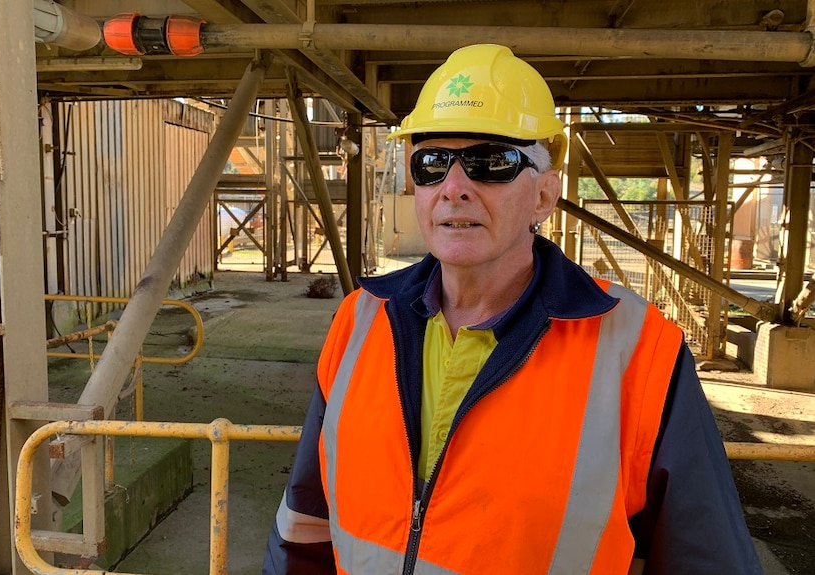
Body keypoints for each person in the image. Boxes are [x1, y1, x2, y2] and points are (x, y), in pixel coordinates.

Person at [262, 44, 763, 574]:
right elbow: (305, 525)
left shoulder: (639, 353)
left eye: (490, 163)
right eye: (432, 163)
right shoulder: (360, 321)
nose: (454, 188)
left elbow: (706, 558)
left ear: (545, 195)